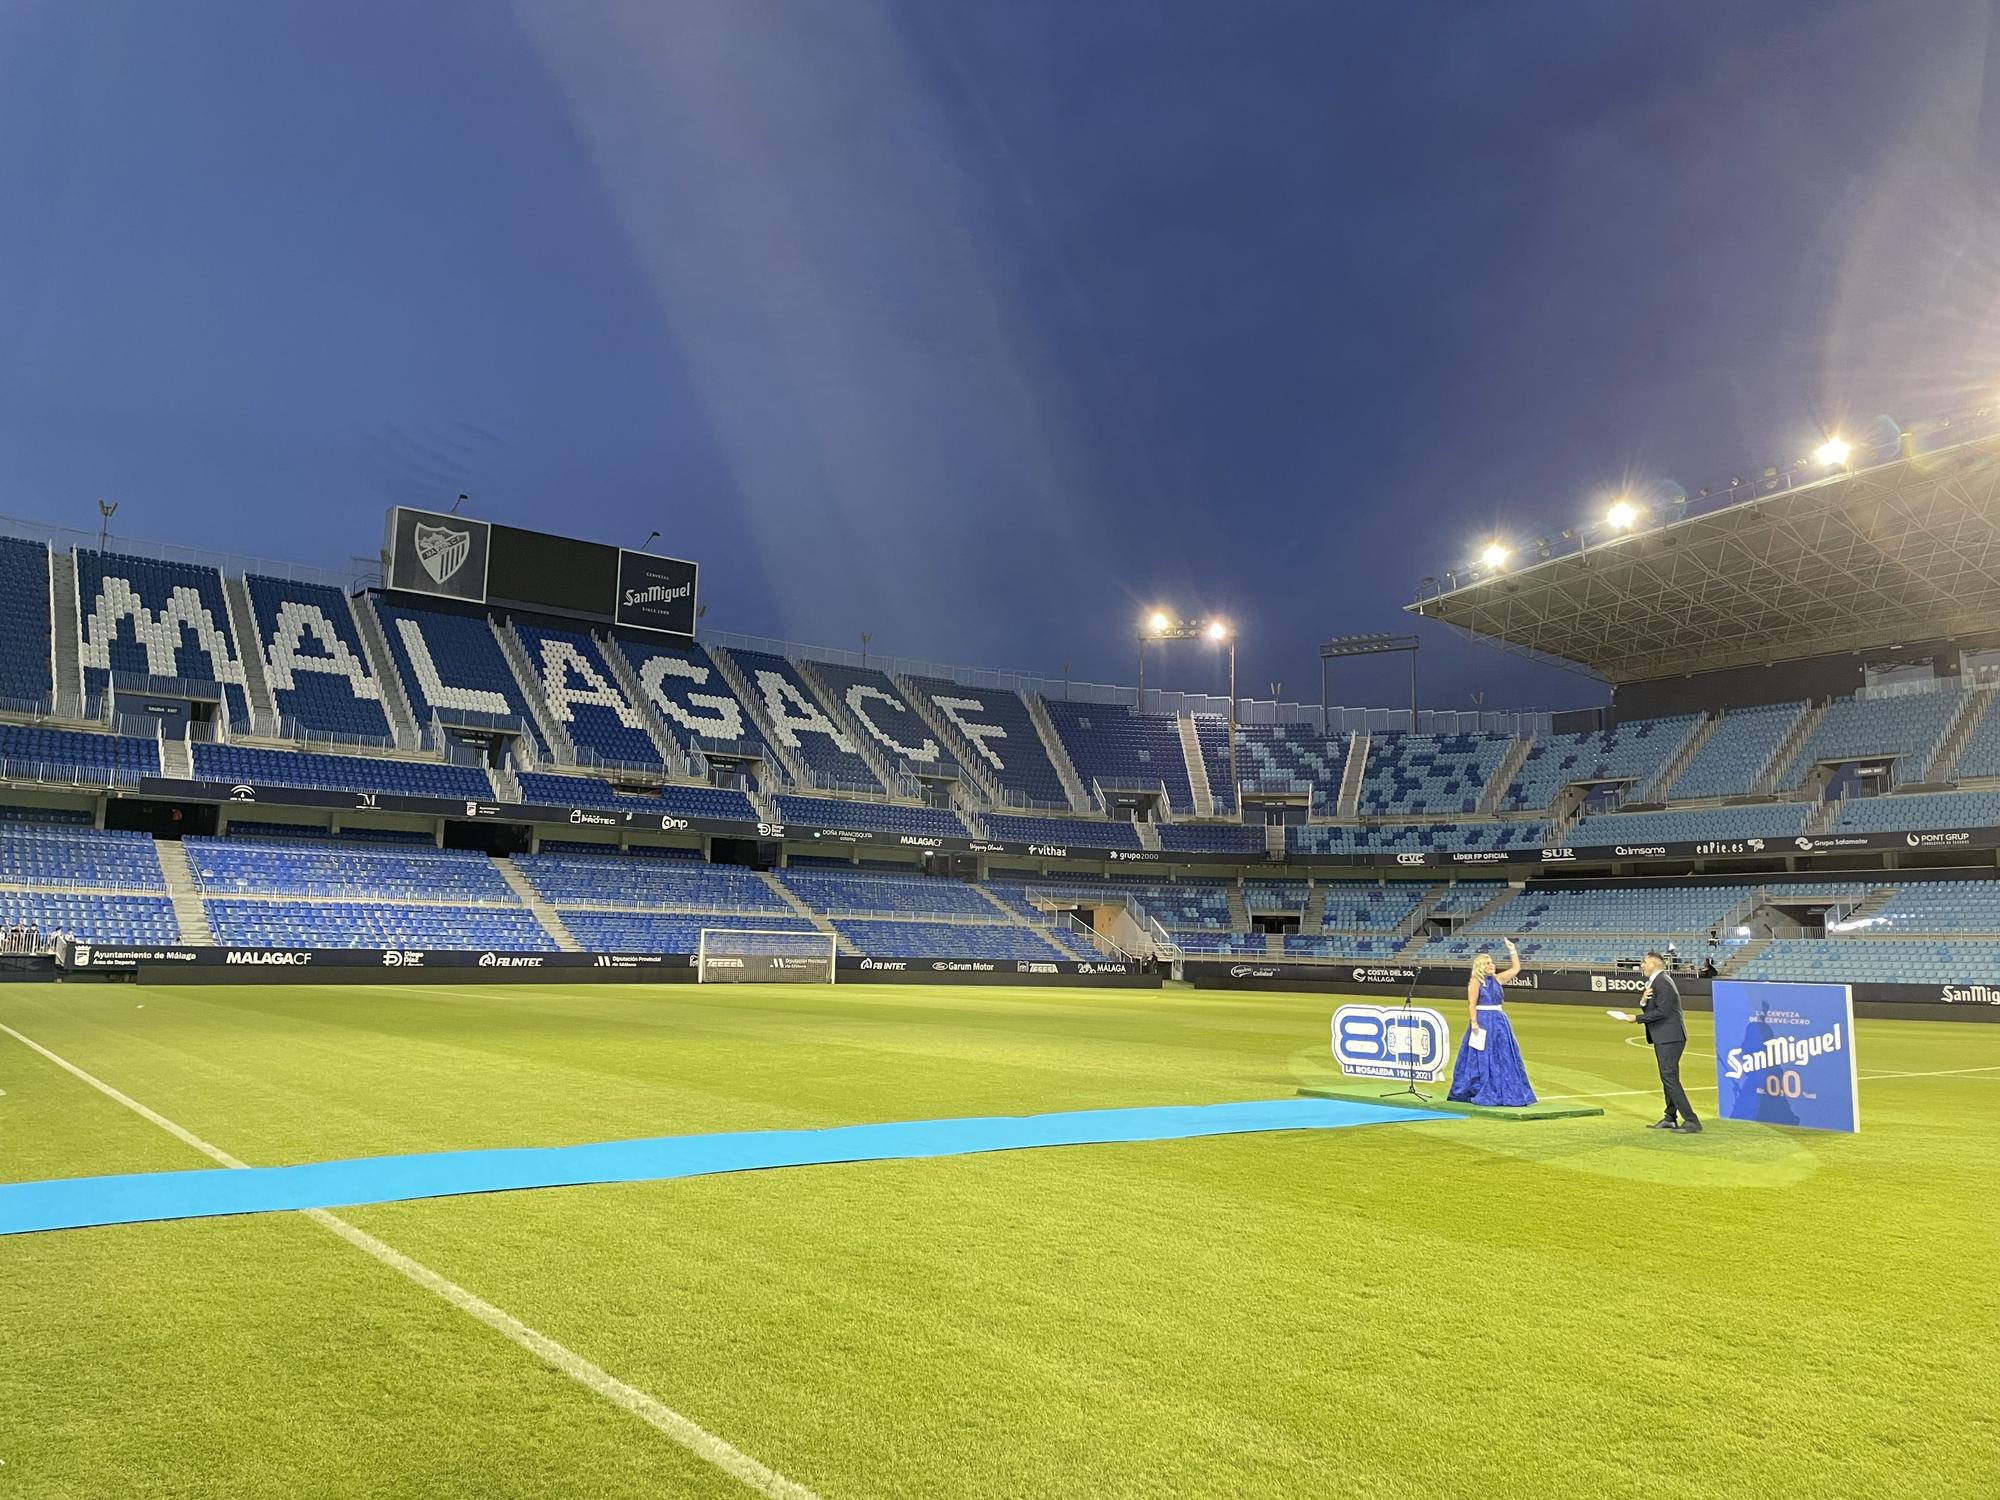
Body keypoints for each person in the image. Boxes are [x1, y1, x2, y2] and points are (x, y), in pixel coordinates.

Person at [1446, 938, 1536, 1107]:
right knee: (1481, 1056)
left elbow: (1516, 968)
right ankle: (1478, 1088)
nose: (1492, 965)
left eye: (1492, 962)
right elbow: (1472, 1004)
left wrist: (1512, 950)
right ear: (1481, 966)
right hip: (1483, 1020)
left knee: (1504, 1055)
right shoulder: (1475, 982)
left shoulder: (1497, 979)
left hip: (1500, 1021)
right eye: (1488, 963)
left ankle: (1507, 1089)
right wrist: (1474, 1023)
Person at [1631, 949, 1700, 1133]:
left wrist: (1635, 1018)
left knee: (1669, 1077)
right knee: (1668, 1077)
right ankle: (1670, 1118)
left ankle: (1691, 1121)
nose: (1642, 966)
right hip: (1665, 1036)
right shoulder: (1657, 982)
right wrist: (1643, 1002)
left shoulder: (1663, 982)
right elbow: (1655, 1008)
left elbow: (1663, 1012)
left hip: (1670, 1037)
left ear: (1653, 964)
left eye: (1644, 962)